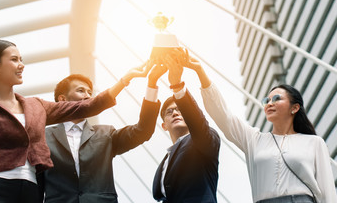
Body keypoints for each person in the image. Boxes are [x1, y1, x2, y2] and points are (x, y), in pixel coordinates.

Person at [0, 39, 154, 203]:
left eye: (21, 59)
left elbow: (91, 106)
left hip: (29, 189)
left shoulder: (36, 106)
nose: (22, 65)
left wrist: (126, 80)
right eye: (14, 59)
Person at [179, 49, 337, 203]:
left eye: (276, 99)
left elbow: (327, 192)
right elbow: (223, 115)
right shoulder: (254, 140)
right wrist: (200, 71)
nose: (269, 104)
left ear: (294, 108)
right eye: (266, 101)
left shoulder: (314, 143)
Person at [39, 66, 166, 203]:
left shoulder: (106, 134)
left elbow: (143, 131)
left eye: (89, 92)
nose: (88, 96)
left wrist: (152, 84)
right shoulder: (42, 137)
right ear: (63, 99)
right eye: (81, 91)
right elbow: (35, 184)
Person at [152, 55, 220, 203]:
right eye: (169, 112)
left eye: (179, 110)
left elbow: (198, 124)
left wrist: (177, 85)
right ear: (164, 125)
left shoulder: (204, 141)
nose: (175, 113)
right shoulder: (164, 162)